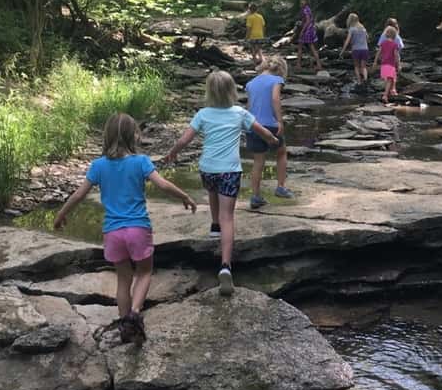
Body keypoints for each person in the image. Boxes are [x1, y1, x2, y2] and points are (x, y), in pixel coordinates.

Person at [54, 113, 196, 345]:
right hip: (138, 228)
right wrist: (185, 196)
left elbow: (80, 194)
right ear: (135, 136)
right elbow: (162, 184)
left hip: (113, 232)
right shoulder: (141, 162)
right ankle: (135, 313)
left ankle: (124, 325)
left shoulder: (98, 166)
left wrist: (62, 214)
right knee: (144, 272)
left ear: (106, 137)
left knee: (123, 280)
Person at [164, 70, 279, 296]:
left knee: (212, 193)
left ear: (209, 91)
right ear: (231, 91)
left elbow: (185, 139)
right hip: (230, 170)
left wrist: (173, 153)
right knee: (229, 216)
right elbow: (261, 131)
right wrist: (272, 139)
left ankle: (214, 226)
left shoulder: (203, 114)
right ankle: (225, 266)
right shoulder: (239, 113)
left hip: (208, 168)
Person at [245, 56, 293, 209]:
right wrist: (279, 120)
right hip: (270, 124)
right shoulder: (276, 80)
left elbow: (249, 105)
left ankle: (255, 196)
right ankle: (280, 187)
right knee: (281, 152)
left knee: (258, 161)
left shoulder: (251, 83)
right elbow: (275, 99)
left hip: (253, 124)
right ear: (280, 70)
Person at [339, 13, 370, 85]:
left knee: (356, 66)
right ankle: (365, 80)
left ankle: (359, 81)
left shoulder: (352, 29)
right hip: (365, 49)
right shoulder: (363, 28)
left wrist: (342, 51)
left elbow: (347, 41)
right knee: (364, 67)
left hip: (356, 50)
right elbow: (367, 38)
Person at [295, 0, 323, 72]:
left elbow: (308, 21)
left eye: (303, 0)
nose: (302, 2)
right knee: (306, 47)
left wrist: (302, 31)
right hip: (309, 29)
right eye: (301, 0)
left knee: (306, 47)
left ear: (306, 1)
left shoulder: (306, 9)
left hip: (307, 30)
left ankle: (299, 65)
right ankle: (317, 65)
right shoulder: (305, 9)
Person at [373, 25, 401, 104]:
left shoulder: (383, 43)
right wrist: (398, 64)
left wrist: (375, 62)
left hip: (383, 64)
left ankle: (392, 91)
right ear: (394, 35)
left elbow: (378, 53)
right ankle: (385, 95)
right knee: (390, 79)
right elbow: (396, 55)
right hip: (390, 64)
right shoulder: (394, 45)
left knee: (390, 78)